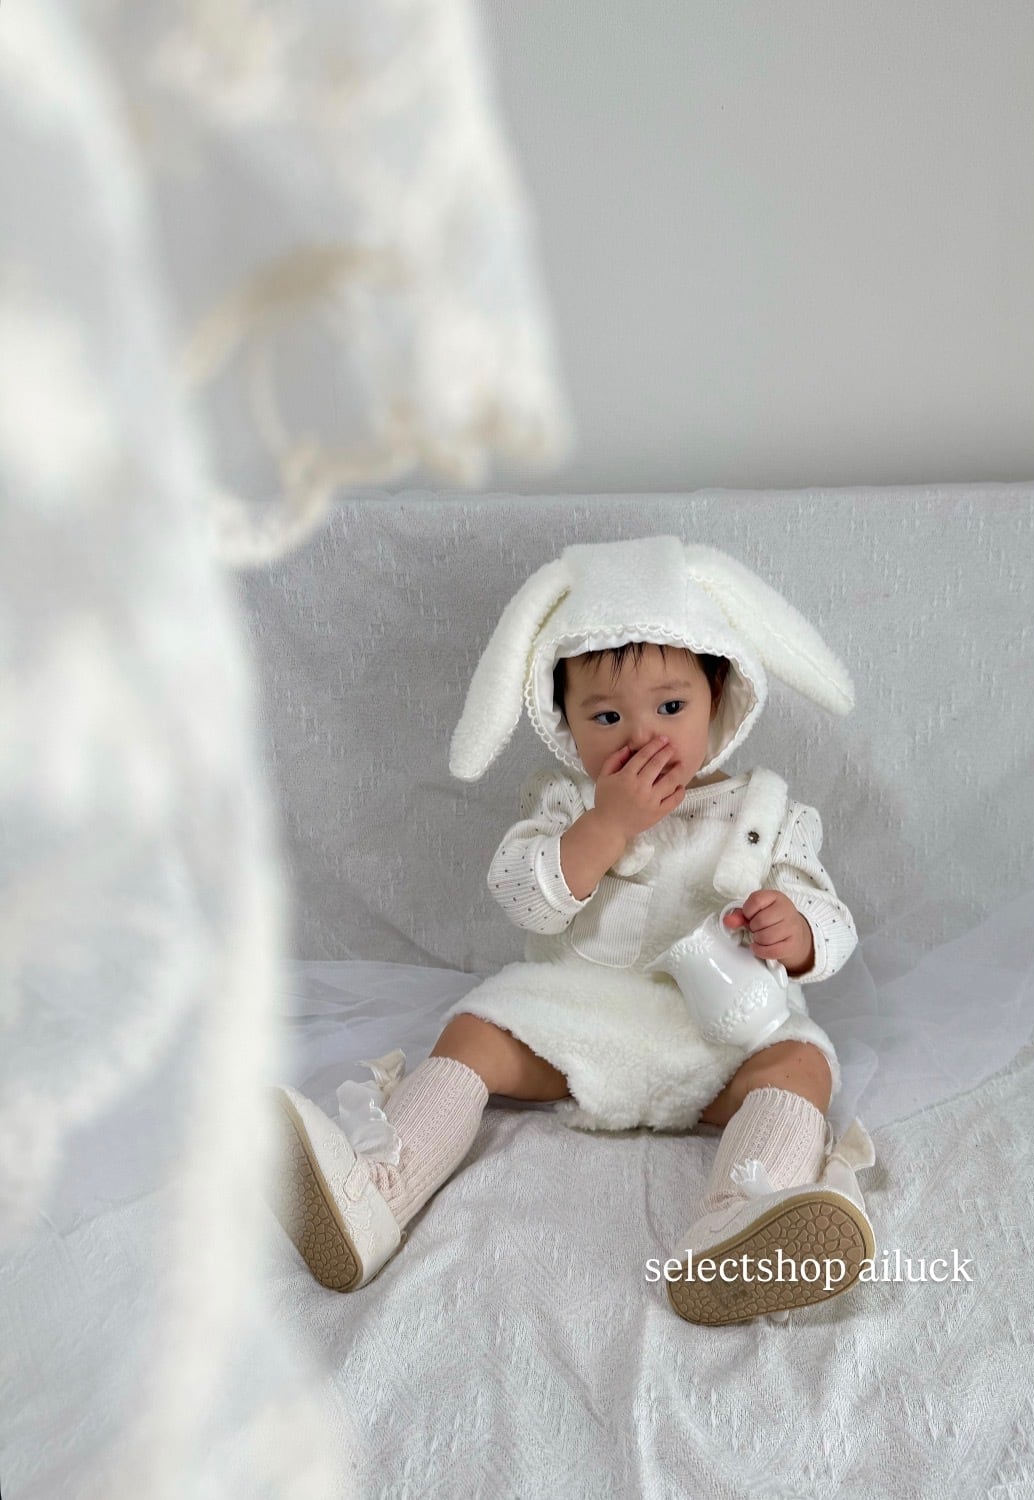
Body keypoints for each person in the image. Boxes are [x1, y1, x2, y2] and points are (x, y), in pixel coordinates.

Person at [269, 535, 878, 1325]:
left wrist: (793, 933)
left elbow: (830, 918)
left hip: (716, 1042)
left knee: (800, 1066)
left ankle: (742, 1221)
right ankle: (378, 1191)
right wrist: (606, 825)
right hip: (580, 1023)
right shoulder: (565, 805)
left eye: (670, 708)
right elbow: (525, 897)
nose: (641, 736)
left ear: (720, 698)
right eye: (606, 716)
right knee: (474, 1032)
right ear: (564, 722)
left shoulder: (766, 812)